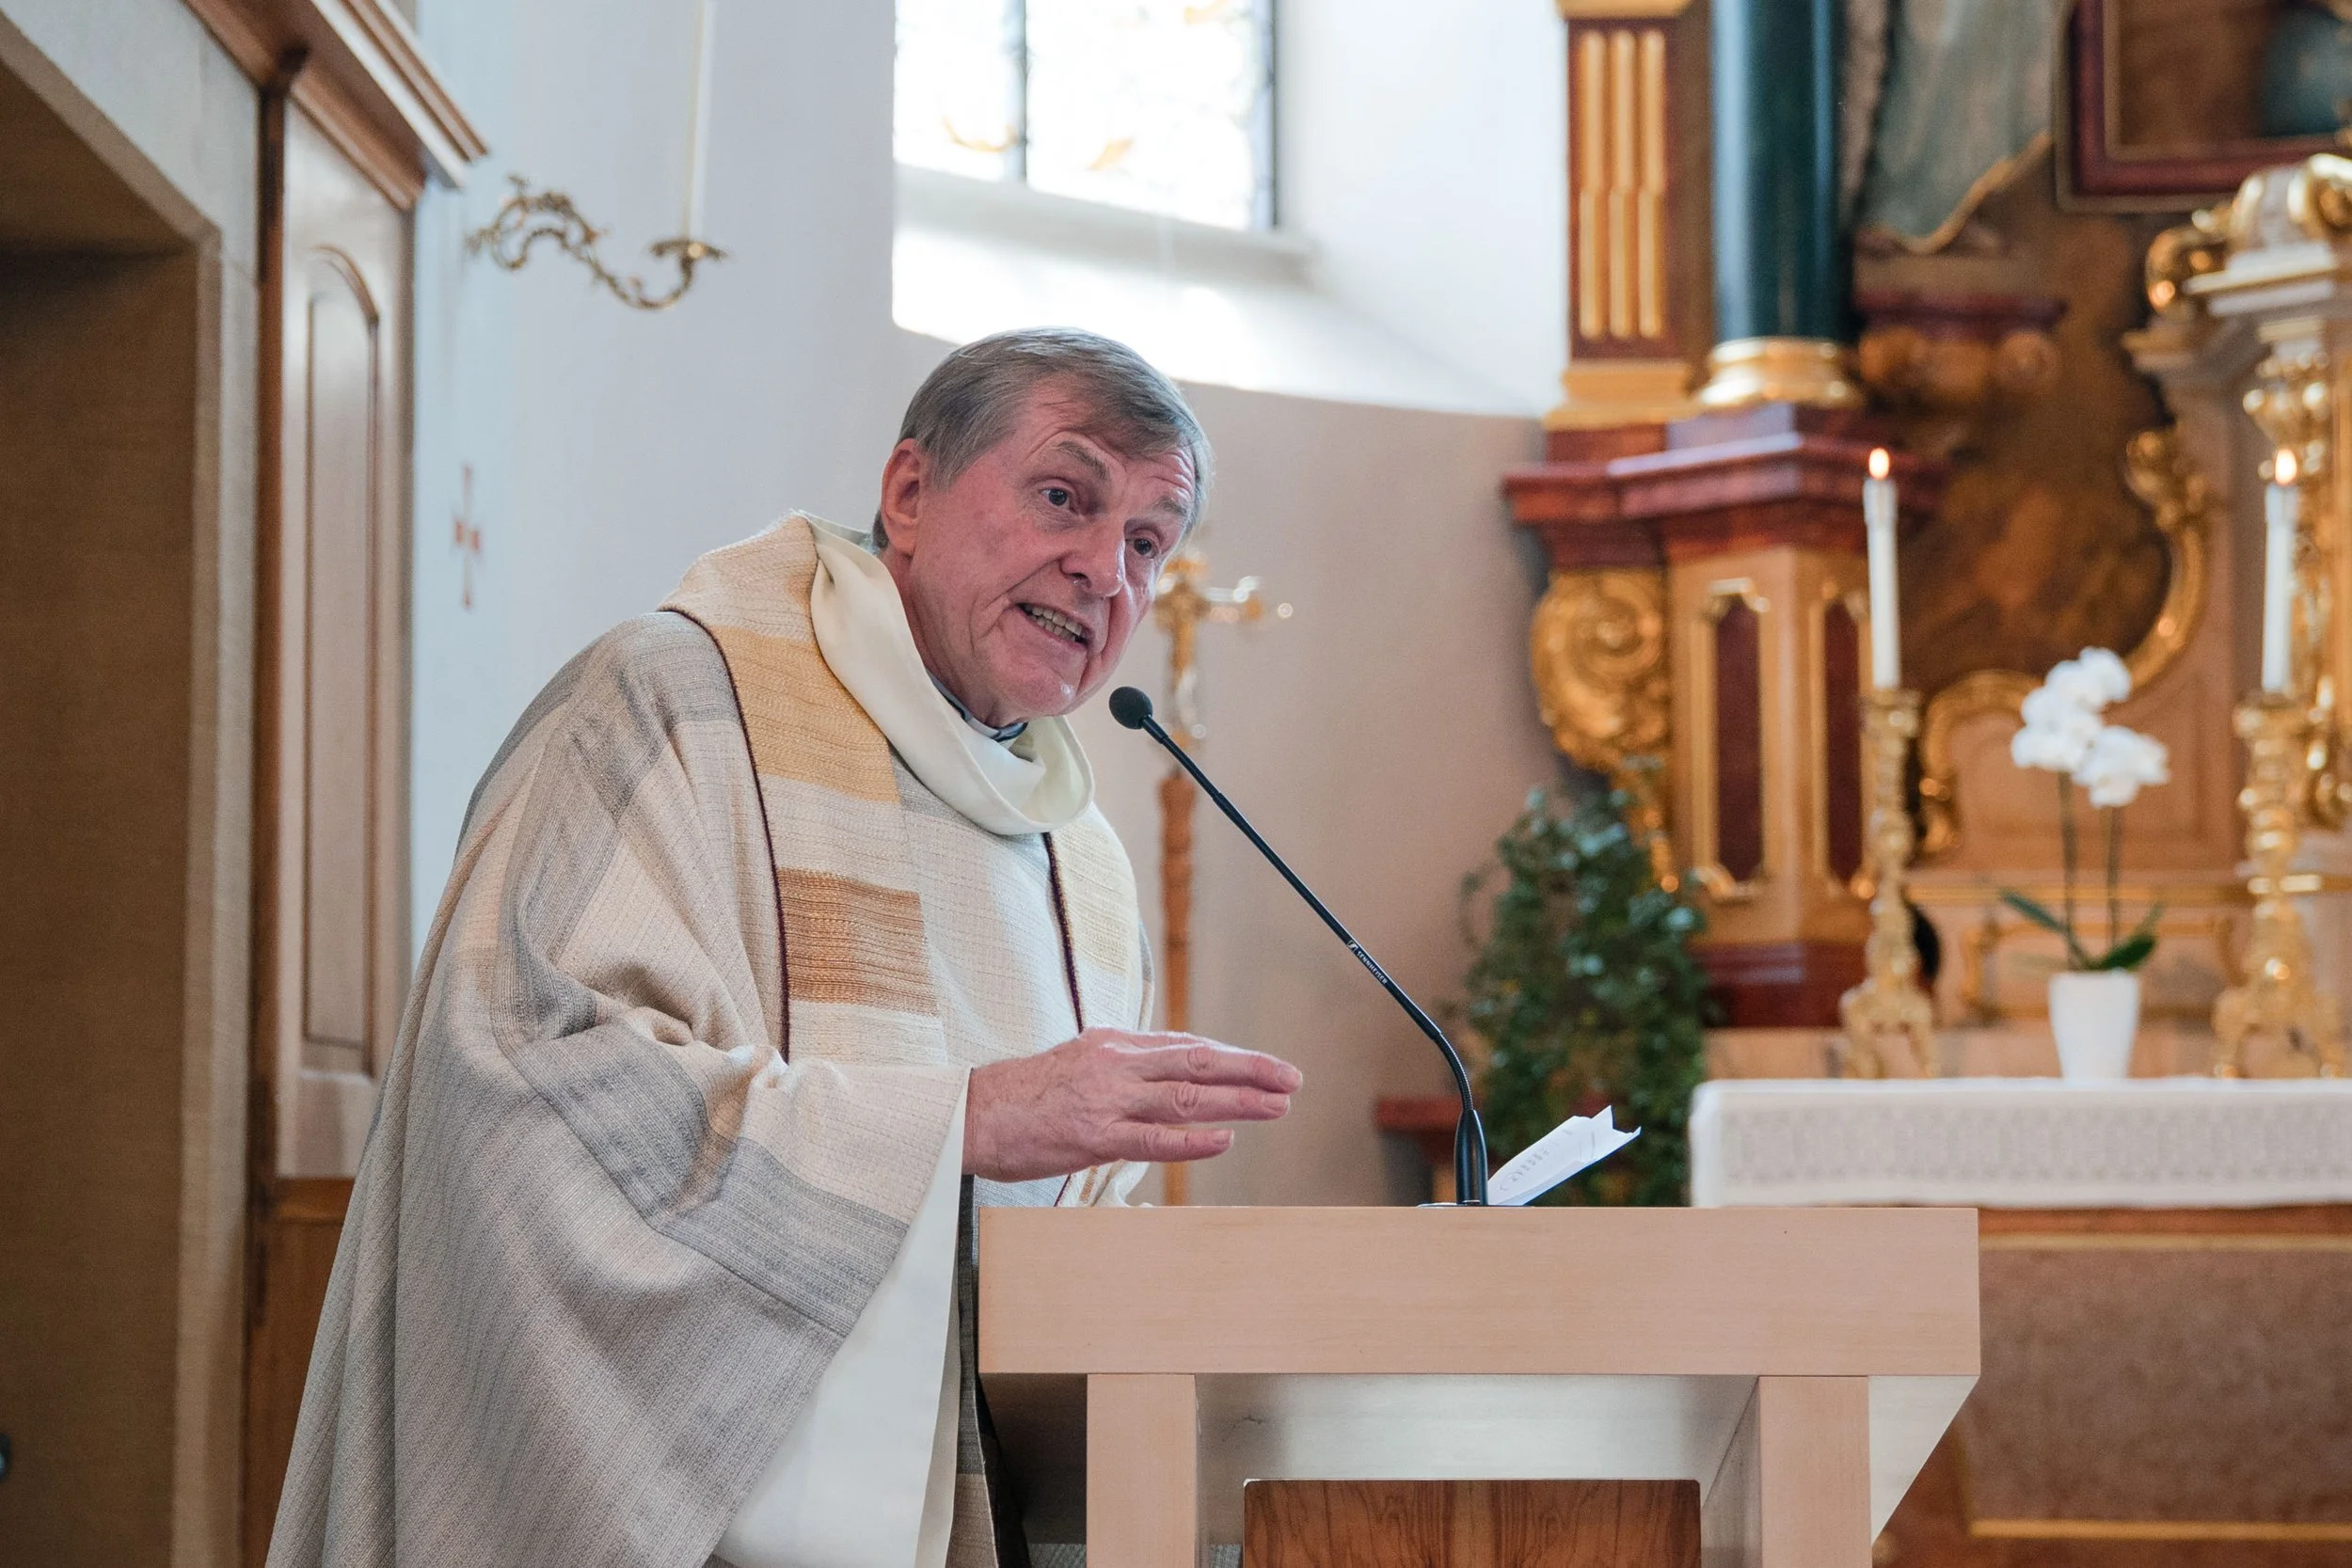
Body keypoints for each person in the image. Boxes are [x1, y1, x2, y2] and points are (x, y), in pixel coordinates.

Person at [269, 327, 1303, 1568]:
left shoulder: (1080, 862)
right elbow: (520, 1080)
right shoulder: (671, 702)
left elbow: (1057, 1259)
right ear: (909, 494)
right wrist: (956, 1124)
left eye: (1149, 541)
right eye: (1062, 497)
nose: (1103, 572)